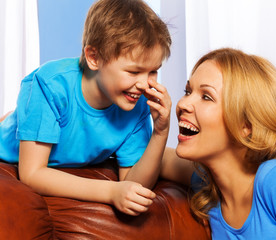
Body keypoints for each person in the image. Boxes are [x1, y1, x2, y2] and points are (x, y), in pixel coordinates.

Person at [0, 0, 172, 216]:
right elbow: (32, 173)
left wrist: (160, 132)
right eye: (134, 72)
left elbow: (133, 185)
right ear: (94, 58)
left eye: (153, 71)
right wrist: (110, 191)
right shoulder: (49, 85)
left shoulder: (137, 104)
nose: (146, 84)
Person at [161, 48, 276, 239]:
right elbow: (158, 160)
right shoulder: (208, 182)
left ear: (246, 126)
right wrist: (159, 130)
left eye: (206, 97)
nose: (183, 104)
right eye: (188, 91)